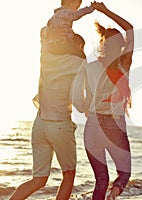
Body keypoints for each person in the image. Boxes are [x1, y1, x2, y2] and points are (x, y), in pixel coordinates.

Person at [9, 14, 89, 200]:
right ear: (78, 46)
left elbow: (45, 32)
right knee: (68, 175)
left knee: (38, 179)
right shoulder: (80, 64)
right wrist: (89, 107)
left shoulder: (46, 57)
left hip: (39, 124)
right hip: (60, 124)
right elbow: (78, 101)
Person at [72, 2, 134, 200]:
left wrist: (85, 109)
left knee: (100, 179)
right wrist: (105, 11)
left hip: (93, 126)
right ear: (121, 47)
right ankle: (113, 195)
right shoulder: (124, 64)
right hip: (114, 124)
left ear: (103, 44)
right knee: (123, 173)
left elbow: (76, 97)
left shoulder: (89, 68)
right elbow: (130, 29)